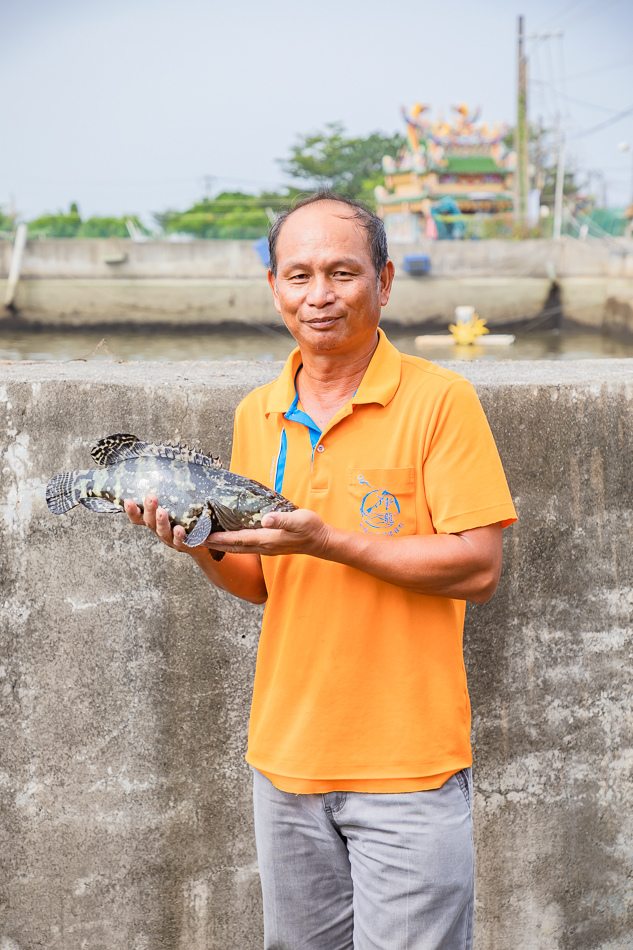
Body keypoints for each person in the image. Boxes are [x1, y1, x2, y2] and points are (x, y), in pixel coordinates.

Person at [125, 192, 517, 950]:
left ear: (385, 280)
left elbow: (477, 567)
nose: (319, 295)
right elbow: (259, 580)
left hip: (407, 767)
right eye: (298, 274)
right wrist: (197, 546)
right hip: (285, 758)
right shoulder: (256, 412)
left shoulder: (441, 401)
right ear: (273, 287)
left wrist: (330, 542)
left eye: (341, 272)